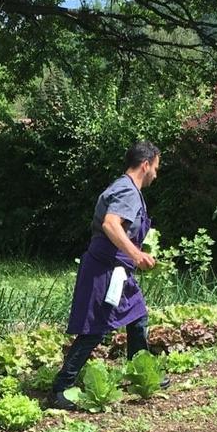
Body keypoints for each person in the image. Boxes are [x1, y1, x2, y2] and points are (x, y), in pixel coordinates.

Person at [52, 141, 163, 410]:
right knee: (95, 328)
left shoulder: (128, 190)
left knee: (137, 317)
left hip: (118, 269)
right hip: (106, 268)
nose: (156, 175)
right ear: (145, 164)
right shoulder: (127, 190)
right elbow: (111, 225)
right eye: (156, 168)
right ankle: (61, 388)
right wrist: (136, 255)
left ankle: (141, 372)